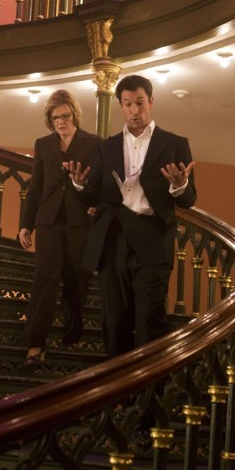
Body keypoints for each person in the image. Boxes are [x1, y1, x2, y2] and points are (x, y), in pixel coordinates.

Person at [65, 74, 196, 358]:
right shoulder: (106, 147)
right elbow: (93, 195)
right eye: (127, 104)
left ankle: (151, 385)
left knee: (151, 321)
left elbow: (189, 199)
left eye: (139, 102)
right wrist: (79, 184)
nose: (134, 110)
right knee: (114, 321)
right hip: (112, 239)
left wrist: (180, 185)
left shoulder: (174, 143)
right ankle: (118, 385)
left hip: (152, 239)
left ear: (151, 102)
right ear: (121, 106)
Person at [19, 89, 101, 364]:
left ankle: (72, 337)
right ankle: (35, 343)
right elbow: (35, 187)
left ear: (74, 115)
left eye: (65, 116)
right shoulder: (43, 144)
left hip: (81, 220)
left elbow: (100, 182)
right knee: (45, 279)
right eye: (55, 118)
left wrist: (91, 196)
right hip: (49, 221)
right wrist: (26, 225)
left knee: (78, 279)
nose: (61, 122)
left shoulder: (94, 143)